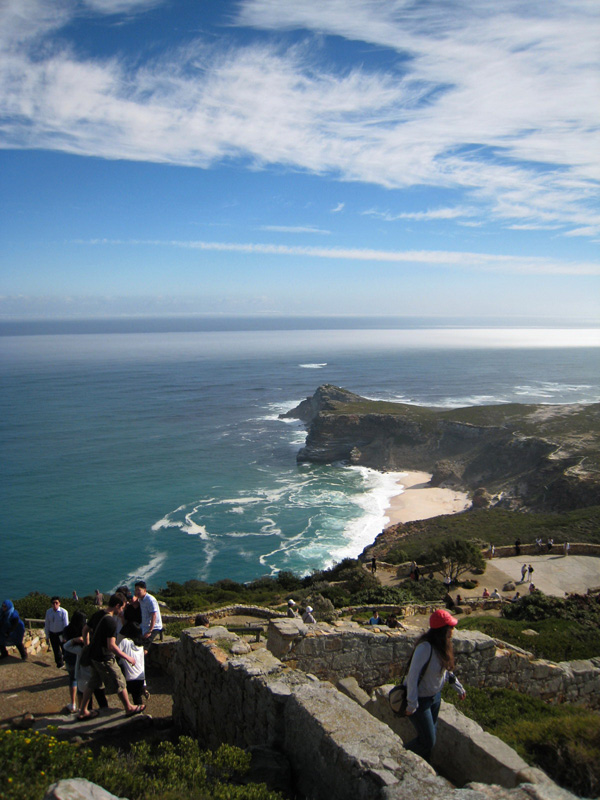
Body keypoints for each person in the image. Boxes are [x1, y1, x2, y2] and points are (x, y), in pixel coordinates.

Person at [404, 609, 466, 761]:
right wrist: (412, 704)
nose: (453, 629)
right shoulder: (425, 648)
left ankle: (424, 763)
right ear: (442, 630)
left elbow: (445, 671)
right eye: (450, 627)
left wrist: (457, 686)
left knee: (429, 736)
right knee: (428, 741)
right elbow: (412, 675)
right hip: (420, 701)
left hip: (435, 697)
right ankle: (399, 756)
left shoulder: (442, 645)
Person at [77, 593, 145, 721]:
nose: (123, 611)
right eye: (123, 607)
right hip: (104, 657)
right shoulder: (111, 621)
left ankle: (82, 711)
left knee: (93, 682)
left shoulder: (98, 614)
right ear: (117, 605)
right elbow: (111, 646)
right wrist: (128, 658)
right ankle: (129, 707)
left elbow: (85, 629)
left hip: (94, 656)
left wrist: (88, 646)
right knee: (119, 680)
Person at [61, 611, 87, 712]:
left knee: (72, 680)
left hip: (70, 658)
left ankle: (73, 704)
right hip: (81, 660)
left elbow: (65, 642)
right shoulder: (84, 630)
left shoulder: (67, 629)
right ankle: (82, 707)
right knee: (82, 683)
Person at [118, 622, 146, 706]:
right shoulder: (141, 645)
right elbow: (142, 663)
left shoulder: (125, 642)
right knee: (137, 697)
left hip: (129, 677)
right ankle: (140, 714)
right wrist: (145, 683)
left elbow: (117, 652)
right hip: (140, 678)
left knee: (127, 695)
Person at [45, 596, 69, 668]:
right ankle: (59, 664)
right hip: (53, 634)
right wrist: (47, 636)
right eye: (53, 603)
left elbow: (66, 625)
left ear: (59, 603)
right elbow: (47, 624)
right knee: (56, 650)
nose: (55, 604)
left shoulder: (63, 612)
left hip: (61, 634)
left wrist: (65, 636)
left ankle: (68, 663)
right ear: (51, 604)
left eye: (56, 603)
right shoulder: (48, 612)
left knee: (64, 648)